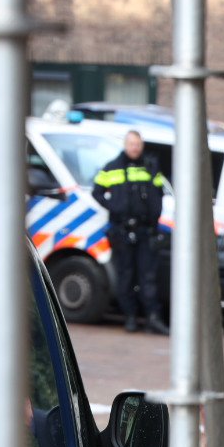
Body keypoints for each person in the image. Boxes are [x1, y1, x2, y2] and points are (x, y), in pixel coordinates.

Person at [94, 130, 168, 335]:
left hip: (146, 230)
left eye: (138, 144)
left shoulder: (151, 168)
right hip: (122, 230)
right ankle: (130, 317)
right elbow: (97, 192)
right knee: (125, 276)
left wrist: (154, 217)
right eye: (132, 144)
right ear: (126, 145)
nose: (135, 148)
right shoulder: (112, 167)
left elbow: (158, 195)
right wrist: (114, 207)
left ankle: (153, 318)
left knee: (148, 276)